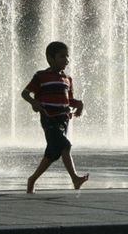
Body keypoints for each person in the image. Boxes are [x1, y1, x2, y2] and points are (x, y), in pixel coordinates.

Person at [22, 41, 89, 193]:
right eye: (62, 56)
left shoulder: (67, 79)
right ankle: (75, 178)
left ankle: (32, 180)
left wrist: (79, 104)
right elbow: (25, 93)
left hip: (63, 120)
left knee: (52, 154)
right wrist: (34, 103)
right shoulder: (41, 76)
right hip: (49, 119)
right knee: (65, 145)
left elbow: (68, 100)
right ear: (50, 58)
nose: (66, 60)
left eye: (67, 56)